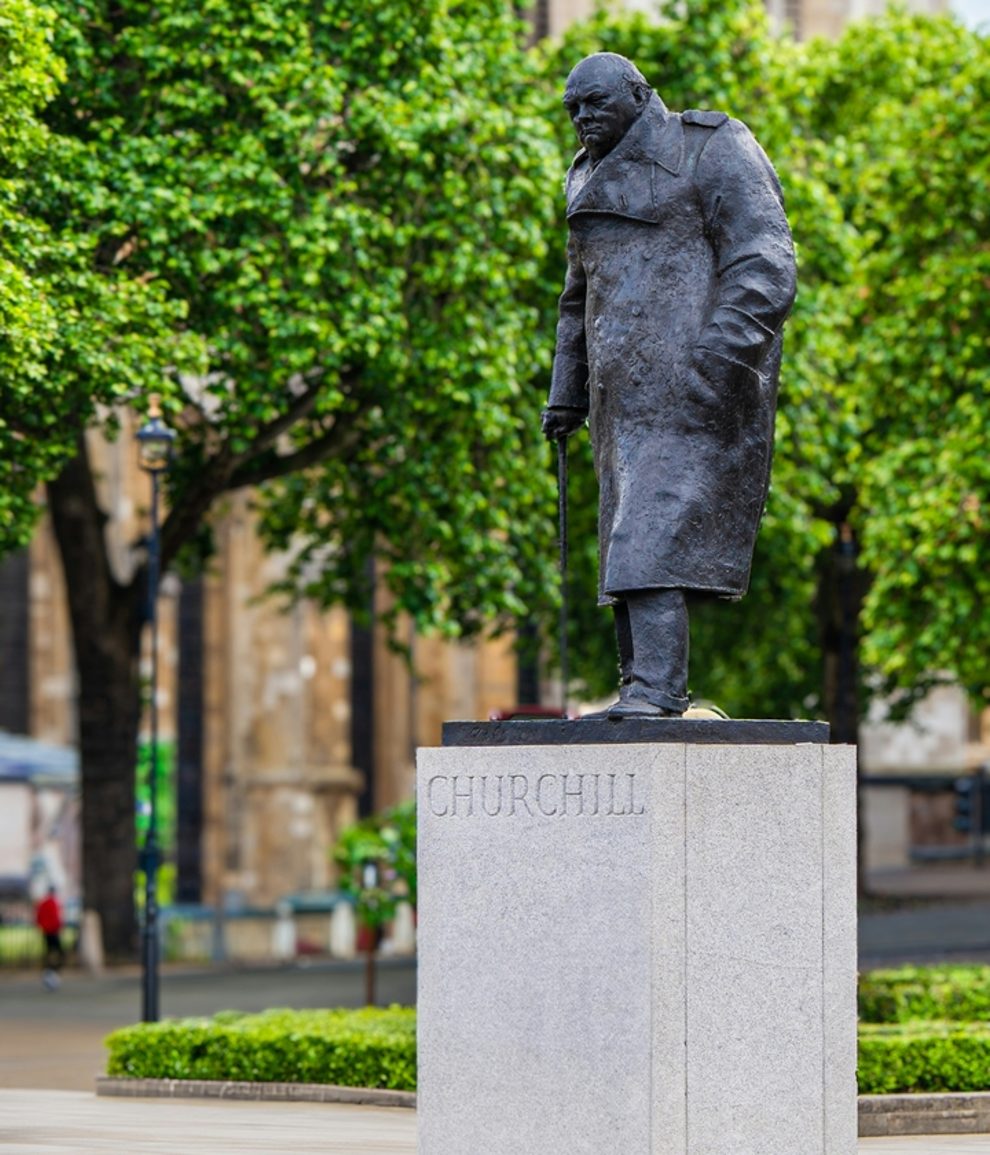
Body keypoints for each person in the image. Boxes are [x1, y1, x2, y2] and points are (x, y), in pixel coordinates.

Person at [542, 52, 797, 717]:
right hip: (616, 398)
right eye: (571, 108)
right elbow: (577, 297)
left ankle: (656, 688)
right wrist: (565, 391)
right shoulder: (583, 177)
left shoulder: (711, 147)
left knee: (648, 539)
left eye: (594, 102)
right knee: (626, 541)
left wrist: (718, 360)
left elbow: (764, 259)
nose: (581, 118)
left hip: (692, 388)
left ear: (636, 93)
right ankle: (641, 686)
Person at [35, 885, 64, 988]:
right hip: (52, 931)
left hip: (48, 930)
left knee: (50, 950)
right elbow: (55, 917)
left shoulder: (44, 903)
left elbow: (39, 917)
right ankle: (53, 968)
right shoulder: (51, 903)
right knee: (57, 951)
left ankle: (50, 968)